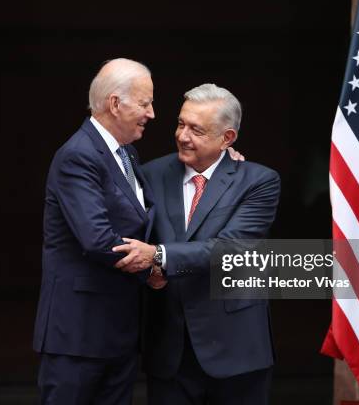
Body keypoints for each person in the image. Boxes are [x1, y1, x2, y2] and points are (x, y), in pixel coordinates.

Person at [113, 83, 281, 404]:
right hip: (169, 350)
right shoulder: (149, 174)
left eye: (197, 130)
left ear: (227, 139)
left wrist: (159, 256)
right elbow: (132, 237)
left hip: (237, 348)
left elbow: (232, 248)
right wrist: (147, 272)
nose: (182, 136)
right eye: (180, 123)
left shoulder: (258, 181)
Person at [32, 58, 156, 405]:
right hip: (77, 337)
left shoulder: (127, 154)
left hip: (118, 334)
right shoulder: (78, 155)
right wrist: (155, 266)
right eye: (145, 103)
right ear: (115, 104)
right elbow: (98, 239)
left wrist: (223, 163)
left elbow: (146, 211)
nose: (152, 113)